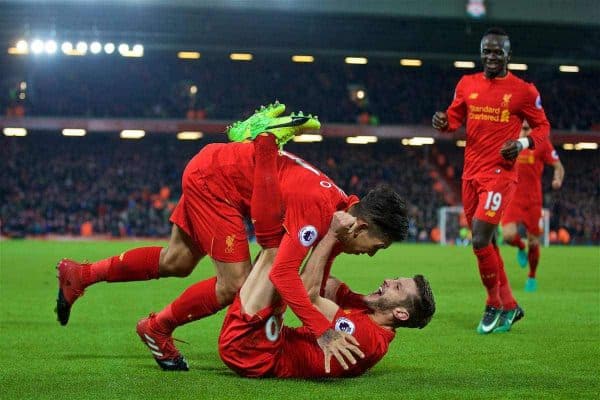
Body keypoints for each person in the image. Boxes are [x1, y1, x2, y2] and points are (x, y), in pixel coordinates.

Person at [57, 103, 409, 370]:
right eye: (378, 246)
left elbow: (311, 281)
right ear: (363, 227)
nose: (372, 255)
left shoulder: (337, 217)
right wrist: (322, 329)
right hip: (217, 182)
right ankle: (156, 328)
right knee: (234, 282)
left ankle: (82, 274)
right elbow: (285, 276)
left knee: (175, 262)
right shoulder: (320, 213)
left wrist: (358, 303)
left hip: (217, 168)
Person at [218, 210, 435, 378]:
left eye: (397, 287)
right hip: (263, 338)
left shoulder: (368, 337)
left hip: (252, 351)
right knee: (268, 262)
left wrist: (332, 235)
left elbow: (307, 292)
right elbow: (327, 287)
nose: (388, 280)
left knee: (276, 253)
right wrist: (340, 244)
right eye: (395, 279)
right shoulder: (369, 311)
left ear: (401, 313)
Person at [432, 27, 550, 334]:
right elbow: (454, 120)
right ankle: (510, 305)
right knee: (489, 242)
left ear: (509, 55)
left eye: (498, 52)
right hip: (470, 173)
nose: (491, 57)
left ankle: (493, 304)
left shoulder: (524, 91)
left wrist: (522, 145)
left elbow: (542, 129)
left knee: (480, 238)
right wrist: (444, 122)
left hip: (500, 174)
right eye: (487, 51)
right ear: (481, 53)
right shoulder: (466, 84)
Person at [502, 120, 565, 292]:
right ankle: (520, 247)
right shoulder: (510, 141)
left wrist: (557, 179)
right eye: (521, 129)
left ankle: (531, 276)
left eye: (526, 129)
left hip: (533, 200)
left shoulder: (542, 143)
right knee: (507, 236)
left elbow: (559, 166)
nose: (523, 133)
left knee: (534, 241)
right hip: (513, 197)